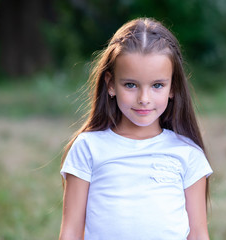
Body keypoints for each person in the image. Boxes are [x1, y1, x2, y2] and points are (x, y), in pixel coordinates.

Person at [59, 17, 213, 240]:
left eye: (157, 85)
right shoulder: (88, 147)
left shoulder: (188, 154)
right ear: (111, 84)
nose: (144, 98)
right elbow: (71, 233)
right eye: (130, 85)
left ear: (173, 87)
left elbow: (198, 234)